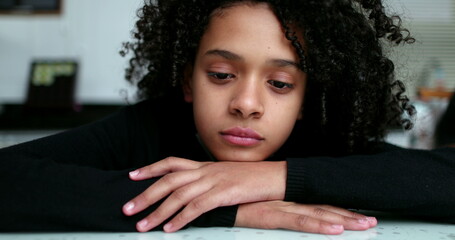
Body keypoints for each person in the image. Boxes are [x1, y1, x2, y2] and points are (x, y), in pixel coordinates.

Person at [1, 0, 454, 235]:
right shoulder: (147, 128)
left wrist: (277, 179)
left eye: (280, 84)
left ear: (305, 101)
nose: (246, 103)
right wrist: (225, 207)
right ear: (187, 81)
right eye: (221, 74)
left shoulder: (322, 140)